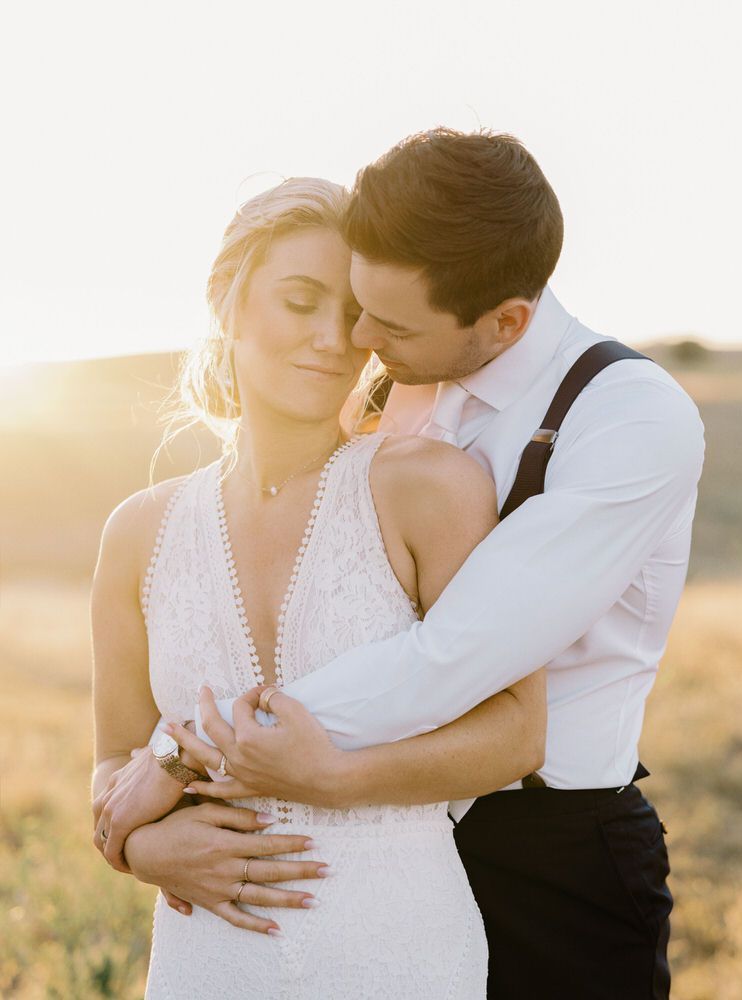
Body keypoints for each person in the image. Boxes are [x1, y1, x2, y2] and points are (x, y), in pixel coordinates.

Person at [161, 130, 705, 999]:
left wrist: (181, 756)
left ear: (506, 322)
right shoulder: (401, 380)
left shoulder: (629, 418)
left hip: (551, 849)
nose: (358, 341)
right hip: (388, 857)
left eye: (389, 323)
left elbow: (450, 655)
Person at [90, 176, 548, 998]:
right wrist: (146, 849)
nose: (333, 340)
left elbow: (516, 734)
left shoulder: (428, 487)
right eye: (301, 302)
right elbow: (110, 765)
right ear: (229, 305)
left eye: (356, 315)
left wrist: (328, 778)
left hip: (399, 953)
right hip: (206, 961)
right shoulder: (137, 531)